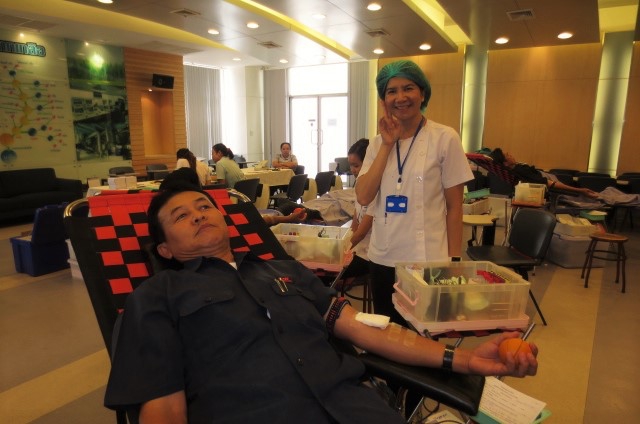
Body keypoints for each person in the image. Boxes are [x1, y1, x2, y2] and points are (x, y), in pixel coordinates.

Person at [104, 185, 538, 423]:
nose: (199, 214)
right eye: (181, 216)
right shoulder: (156, 298)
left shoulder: (283, 270)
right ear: (164, 249)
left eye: (204, 206)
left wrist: (465, 360)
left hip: (354, 409)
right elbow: (163, 408)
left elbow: (366, 328)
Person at [356, 60, 473, 326]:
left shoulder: (445, 138)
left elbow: (455, 207)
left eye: (408, 88)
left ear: (422, 93)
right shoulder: (376, 144)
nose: (400, 97)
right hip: (383, 258)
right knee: (388, 332)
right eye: (391, 91)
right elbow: (363, 197)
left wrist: (454, 263)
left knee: (426, 332)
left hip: (428, 259)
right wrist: (387, 144)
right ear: (384, 100)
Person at [488, 148, 599, 198]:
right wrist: (580, 190)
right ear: (506, 163)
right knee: (598, 196)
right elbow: (550, 183)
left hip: (547, 178)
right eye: (508, 155)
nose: (511, 154)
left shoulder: (516, 169)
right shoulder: (521, 171)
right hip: (551, 183)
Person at [343, 138, 372, 281]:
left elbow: (361, 234)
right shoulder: (359, 186)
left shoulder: (375, 190)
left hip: (368, 255)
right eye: (350, 165)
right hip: (357, 249)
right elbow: (355, 225)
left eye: (356, 166)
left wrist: (342, 250)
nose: (352, 170)